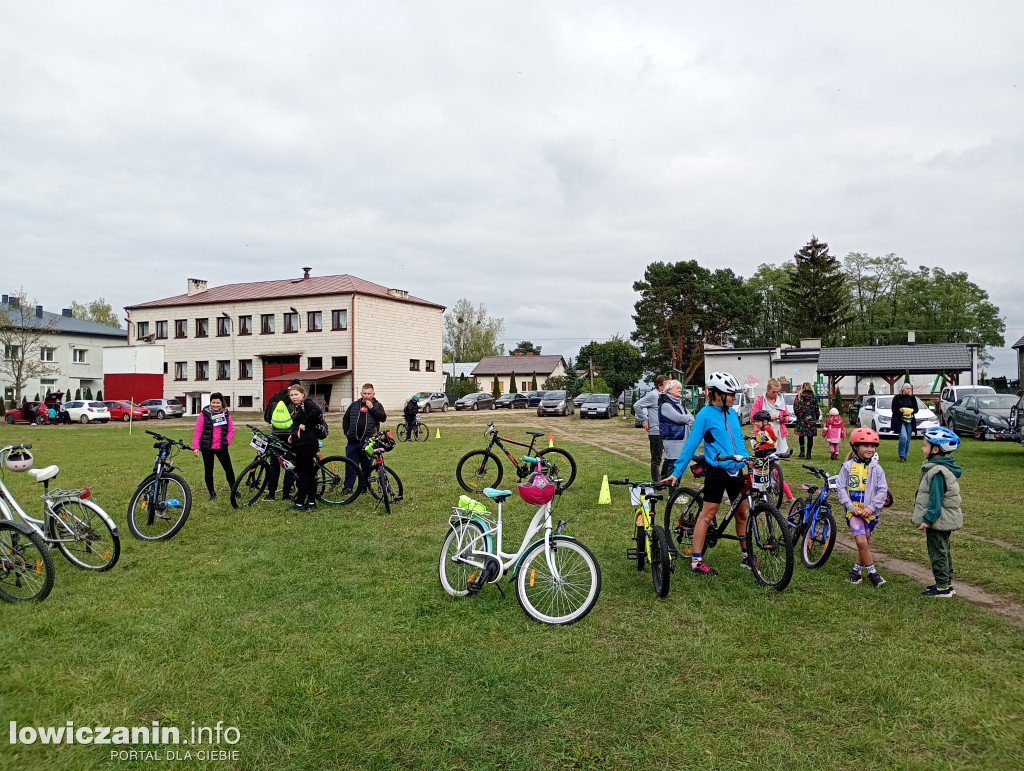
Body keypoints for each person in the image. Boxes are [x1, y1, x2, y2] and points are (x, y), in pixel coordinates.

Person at [662, 371, 751, 576]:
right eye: (731, 394)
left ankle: (747, 556)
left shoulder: (731, 413)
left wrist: (746, 457)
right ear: (717, 394)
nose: (734, 397)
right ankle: (696, 561)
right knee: (708, 514)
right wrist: (677, 472)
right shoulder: (704, 414)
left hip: (736, 470)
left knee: (742, 513)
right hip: (716, 469)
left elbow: (738, 438)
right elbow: (691, 445)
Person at [836, 427, 889, 587]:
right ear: (856, 447)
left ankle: (856, 572)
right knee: (861, 542)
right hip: (854, 512)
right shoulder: (847, 466)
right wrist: (849, 505)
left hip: (870, 513)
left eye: (872, 446)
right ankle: (873, 574)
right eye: (866, 446)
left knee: (865, 542)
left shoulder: (876, 468)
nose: (870, 449)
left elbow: (882, 490)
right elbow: (840, 487)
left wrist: (872, 508)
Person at [914, 427, 963, 598]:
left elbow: (936, 501)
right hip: (943, 519)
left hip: (938, 520)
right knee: (944, 550)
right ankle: (946, 584)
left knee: (938, 552)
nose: (922, 448)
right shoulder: (939, 468)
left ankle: (943, 588)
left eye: (925, 445)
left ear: (935, 449)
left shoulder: (937, 472)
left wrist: (928, 519)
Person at [341, 383, 387, 494]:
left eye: (369, 393)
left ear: (373, 394)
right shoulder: (354, 405)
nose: (366, 395)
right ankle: (348, 488)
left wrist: (372, 408)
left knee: (367, 466)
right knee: (351, 465)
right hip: (353, 441)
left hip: (369, 442)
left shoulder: (377, 405)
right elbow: (345, 419)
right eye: (364, 393)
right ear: (361, 393)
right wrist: (347, 433)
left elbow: (383, 418)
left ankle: (364, 487)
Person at [285, 383, 323, 511]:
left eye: (296, 394)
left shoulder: (307, 403)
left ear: (303, 394)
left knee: (303, 474)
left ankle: (300, 503)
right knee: (310, 474)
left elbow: (317, 410)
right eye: (292, 395)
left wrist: (304, 423)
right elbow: (297, 424)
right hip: (302, 442)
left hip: (306, 444)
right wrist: (293, 435)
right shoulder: (297, 407)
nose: (294, 397)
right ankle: (311, 502)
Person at [192, 392, 236, 500]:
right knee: (209, 470)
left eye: (218, 402)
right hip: (207, 447)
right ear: (210, 402)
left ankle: (234, 490)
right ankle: (212, 493)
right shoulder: (204, 414)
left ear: (222, 403)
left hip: (221, 447)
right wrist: (195, 447)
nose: (215, 405)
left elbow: (231, 429)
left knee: (229, 469)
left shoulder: (226, 414)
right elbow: (198, 431)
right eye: (213, 402)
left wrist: (227, 441)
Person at [263, 379, 298, 501]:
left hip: (276, 434)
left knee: (274, 464)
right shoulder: (296, 398)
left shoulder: (275, 397)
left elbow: (267, 417)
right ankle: (286, 494)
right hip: (290, 435)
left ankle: (271, 494)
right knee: (290, 463)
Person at [633, 375, 668, 482]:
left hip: (667, 431)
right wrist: (644, 420)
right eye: (667, 383)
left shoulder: (667, 395)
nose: (670, 385)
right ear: (660, 385)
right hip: (656, 431)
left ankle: (663, 479)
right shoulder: (653, 395)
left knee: (669, 457)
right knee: (656, 459)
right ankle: (656, 483)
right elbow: (637, 405)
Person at [658, 379, 694, 478]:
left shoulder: (679, 403)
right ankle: (672, 493)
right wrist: (686, 418)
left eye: (680, 388)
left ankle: (676, 492)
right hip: (673, 440)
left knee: (679, 466)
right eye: (677, 388)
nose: (680, 390)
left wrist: (687, 418)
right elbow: (681, 419)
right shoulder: (666, 405)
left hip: (682, 439)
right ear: (669, 390)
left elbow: (692, 418)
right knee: (673, 466)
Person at [749, 378, 790, 456]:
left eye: (777, 392)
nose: (775, 394)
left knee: (776, 457)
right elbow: (753, 417)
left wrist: (783, 419)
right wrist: (768, 418)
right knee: (762, 455)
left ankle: (774, 468)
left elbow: (787, 416)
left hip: (777, 432)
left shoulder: (781, 400)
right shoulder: (759, 400)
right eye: (773, 392)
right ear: (768, 390)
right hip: (763, 432)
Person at [793, 382, 821, 459]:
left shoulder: (798, 396)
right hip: (811, 419)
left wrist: (798, 415)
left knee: (801, 435)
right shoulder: (813, 397)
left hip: (801, 418)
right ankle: (809, 454)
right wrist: (817, 417)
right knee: (810, 436)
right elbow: (816, 408)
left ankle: (802, 452)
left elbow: (795, 407)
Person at [891, 382, 917, 463]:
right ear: (903, 389)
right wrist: (902, 413)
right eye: (907, 388)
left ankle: (905, 456)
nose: (909, 390)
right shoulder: (897, 398)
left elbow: (916, 409)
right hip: (900, 420)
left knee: (908, 440)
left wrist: (910, 412)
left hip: (909, 421)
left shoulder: (912, 398)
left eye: (910, 389)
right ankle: (901, 455)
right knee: (903, 437)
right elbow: (894, 410)